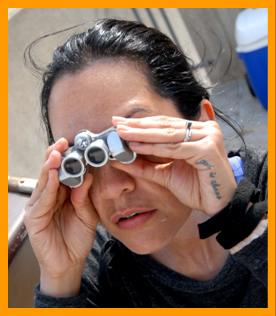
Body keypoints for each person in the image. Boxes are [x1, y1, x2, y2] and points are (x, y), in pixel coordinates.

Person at [23, 18, 268, 308]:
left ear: (201, 121)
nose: (113, 187)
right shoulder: (99, 274)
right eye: (81, 161)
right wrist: (60, 277)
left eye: (131, 142)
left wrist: (241, 217)